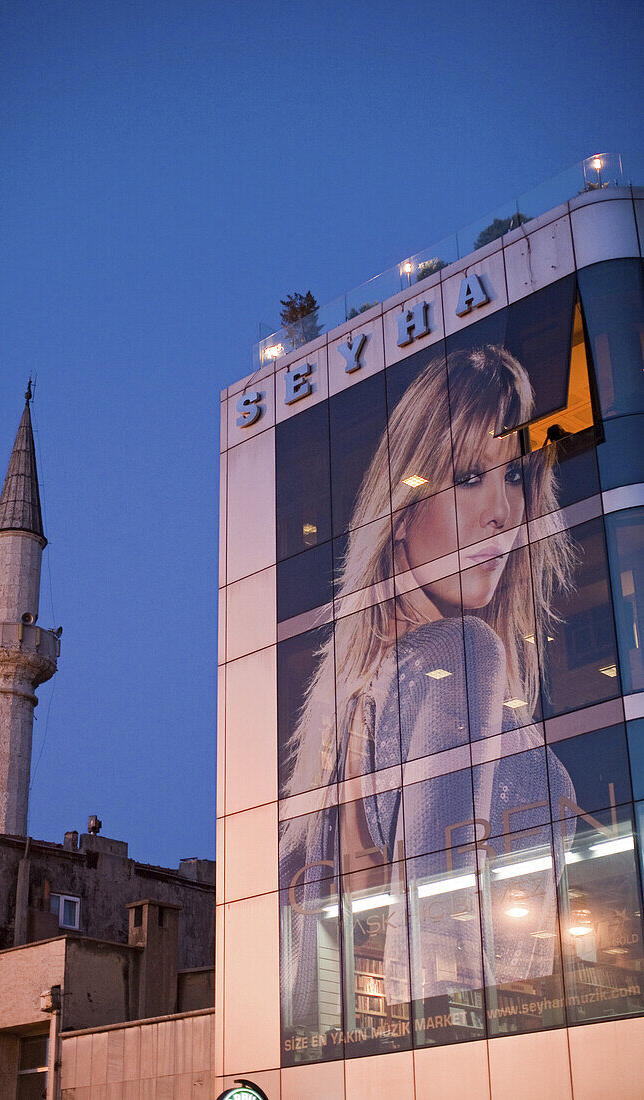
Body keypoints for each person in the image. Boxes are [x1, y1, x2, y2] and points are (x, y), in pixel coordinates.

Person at [279, 344, 577, 1034]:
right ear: (401, 511)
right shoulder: (456, 652)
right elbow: (439, 935)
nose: (502, 511)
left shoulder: (357, 698)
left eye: (516, 478)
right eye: (468, 477)